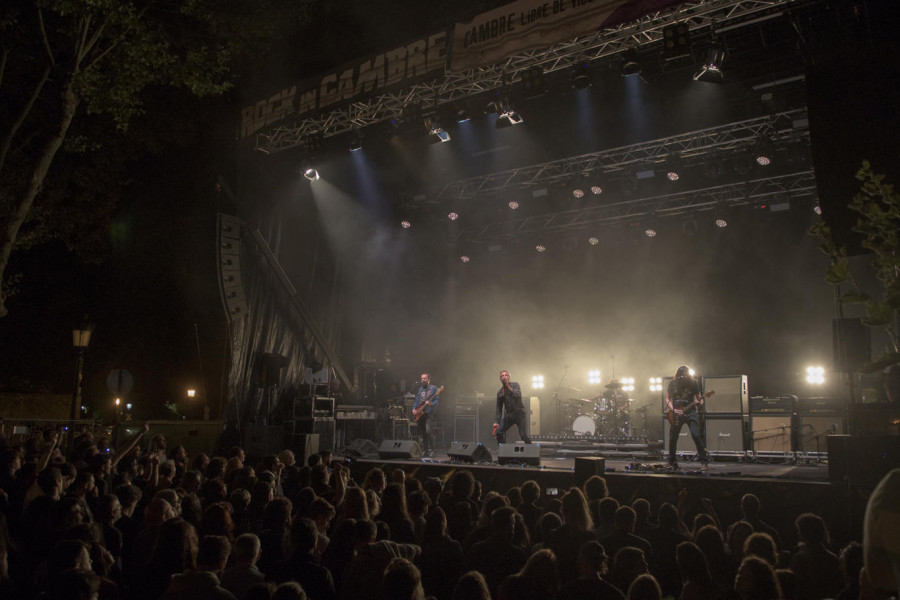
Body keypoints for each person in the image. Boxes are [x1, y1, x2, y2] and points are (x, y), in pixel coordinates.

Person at [665, 366, 709, 471]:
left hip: (690, 412)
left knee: (696, 435)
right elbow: (667, 398)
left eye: (685, 374)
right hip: (677, 413)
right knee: (673, 438)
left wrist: (699, 402)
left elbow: (700, 398)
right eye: (681, 374)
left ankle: (704, 462)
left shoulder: (693, 383)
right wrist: (673, 409)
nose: (683, 376)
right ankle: (672, 461)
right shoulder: (673, 383)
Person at [493, 370, 531, 444]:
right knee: (499, 433)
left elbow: (518, 395)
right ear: (500, 379)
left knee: (523, 435)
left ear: (509, 377)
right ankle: (503, 451)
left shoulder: (515, 385)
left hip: (520, 414)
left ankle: (532, 451)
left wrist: (508, 386)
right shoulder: (500, 392)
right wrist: (497, 422)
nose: (504, 377)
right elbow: (499, 408)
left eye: (505, 375)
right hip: (509, 416)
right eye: (502, 376)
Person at [412, 373, 441, 458]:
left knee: (428, 431)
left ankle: (433, 450)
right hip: (420, 413)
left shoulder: (434, 388)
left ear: (429, 379)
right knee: (423, 433)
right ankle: (426, 451)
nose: (422, 380)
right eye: (421, 378)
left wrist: (431, 403)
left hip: (429, 412)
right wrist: (414, 408)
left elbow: (437, 401)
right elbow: (417, 401)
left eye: (424, 378)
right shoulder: (420, 389)